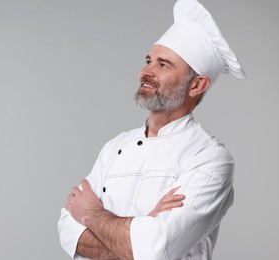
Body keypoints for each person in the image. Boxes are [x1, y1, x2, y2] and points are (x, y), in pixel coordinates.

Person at [58, 0, 245, 259]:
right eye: (148, 60)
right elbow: (68, 230)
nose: (146, 72)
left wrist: (90, 214)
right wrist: (140, 230)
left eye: (163, 65)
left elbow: (156, 249)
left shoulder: (210, 159)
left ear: (196, 85)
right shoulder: (114, 147)